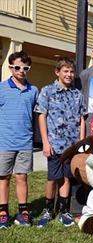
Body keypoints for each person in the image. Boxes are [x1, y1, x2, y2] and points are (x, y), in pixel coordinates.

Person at [34, 57, 87, 227]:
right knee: (52, 178)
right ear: (57, 72)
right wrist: (45, 142)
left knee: (66, 177)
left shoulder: (77, 94)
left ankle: (63, 211)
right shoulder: (47, 91)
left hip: (71, 145)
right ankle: (49, 210)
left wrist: (81, 141)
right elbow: (41, 116)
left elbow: (82, 118)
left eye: (71, 71)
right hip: (54, 144)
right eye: (65, 71)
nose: (69, 74)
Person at [0, 51, 38, 229]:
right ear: (10, 68)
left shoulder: (33, 90)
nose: (21, 70)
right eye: (17, 67)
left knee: (22, 176)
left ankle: (23, 212)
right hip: (4, 141)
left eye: (25, 68)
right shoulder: (1, 88)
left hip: (25, 141)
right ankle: (3, 212)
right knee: (3, 177)